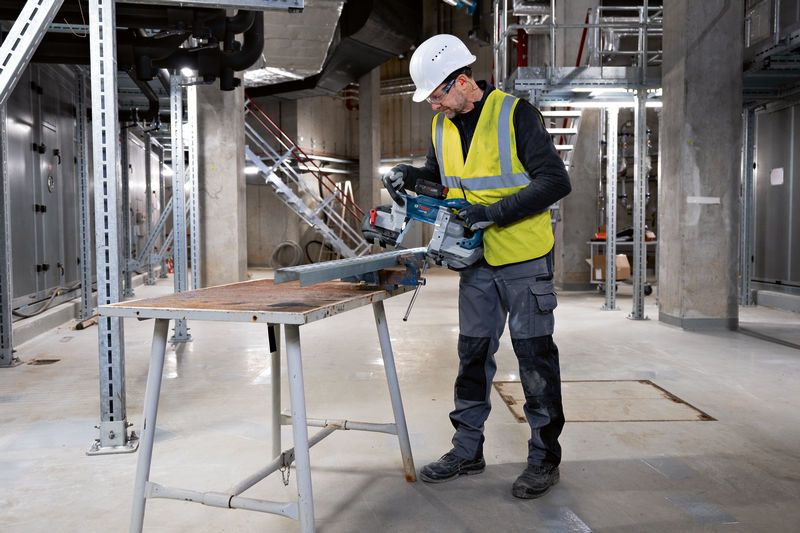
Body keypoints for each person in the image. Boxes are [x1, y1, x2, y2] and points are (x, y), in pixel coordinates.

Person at [383, 34, 571, 499]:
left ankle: (544, 460)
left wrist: (493, 213)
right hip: (475, 261)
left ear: (463, 81)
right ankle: (467, 449)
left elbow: (555, 181)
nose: (434, 107)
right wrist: (410, 177)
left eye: (438, 96)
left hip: (523, 258)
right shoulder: (443, 126)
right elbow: (440, 179)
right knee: (472, 357)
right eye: (430, 99)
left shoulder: (515, 114)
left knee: (534, 361)